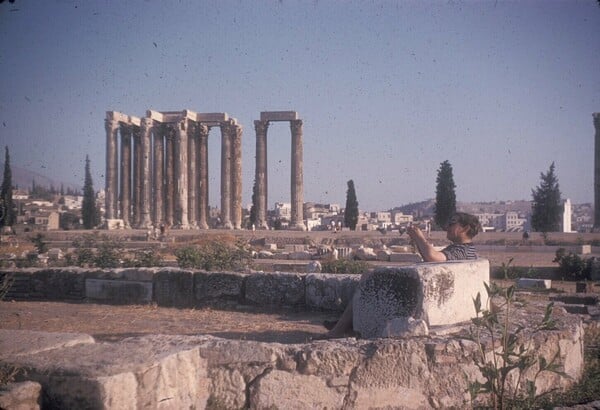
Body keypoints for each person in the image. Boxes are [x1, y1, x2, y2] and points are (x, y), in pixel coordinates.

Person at [323, 212, 481, 338]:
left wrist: (418, 237)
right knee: (371, 277)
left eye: (452, 223)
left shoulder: (461, 250)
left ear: (465, 228)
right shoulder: (468, 250)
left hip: (421, 300)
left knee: (369, 277)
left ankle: (340, 328)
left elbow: (433, 258)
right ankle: (347, 324)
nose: (447, 226)